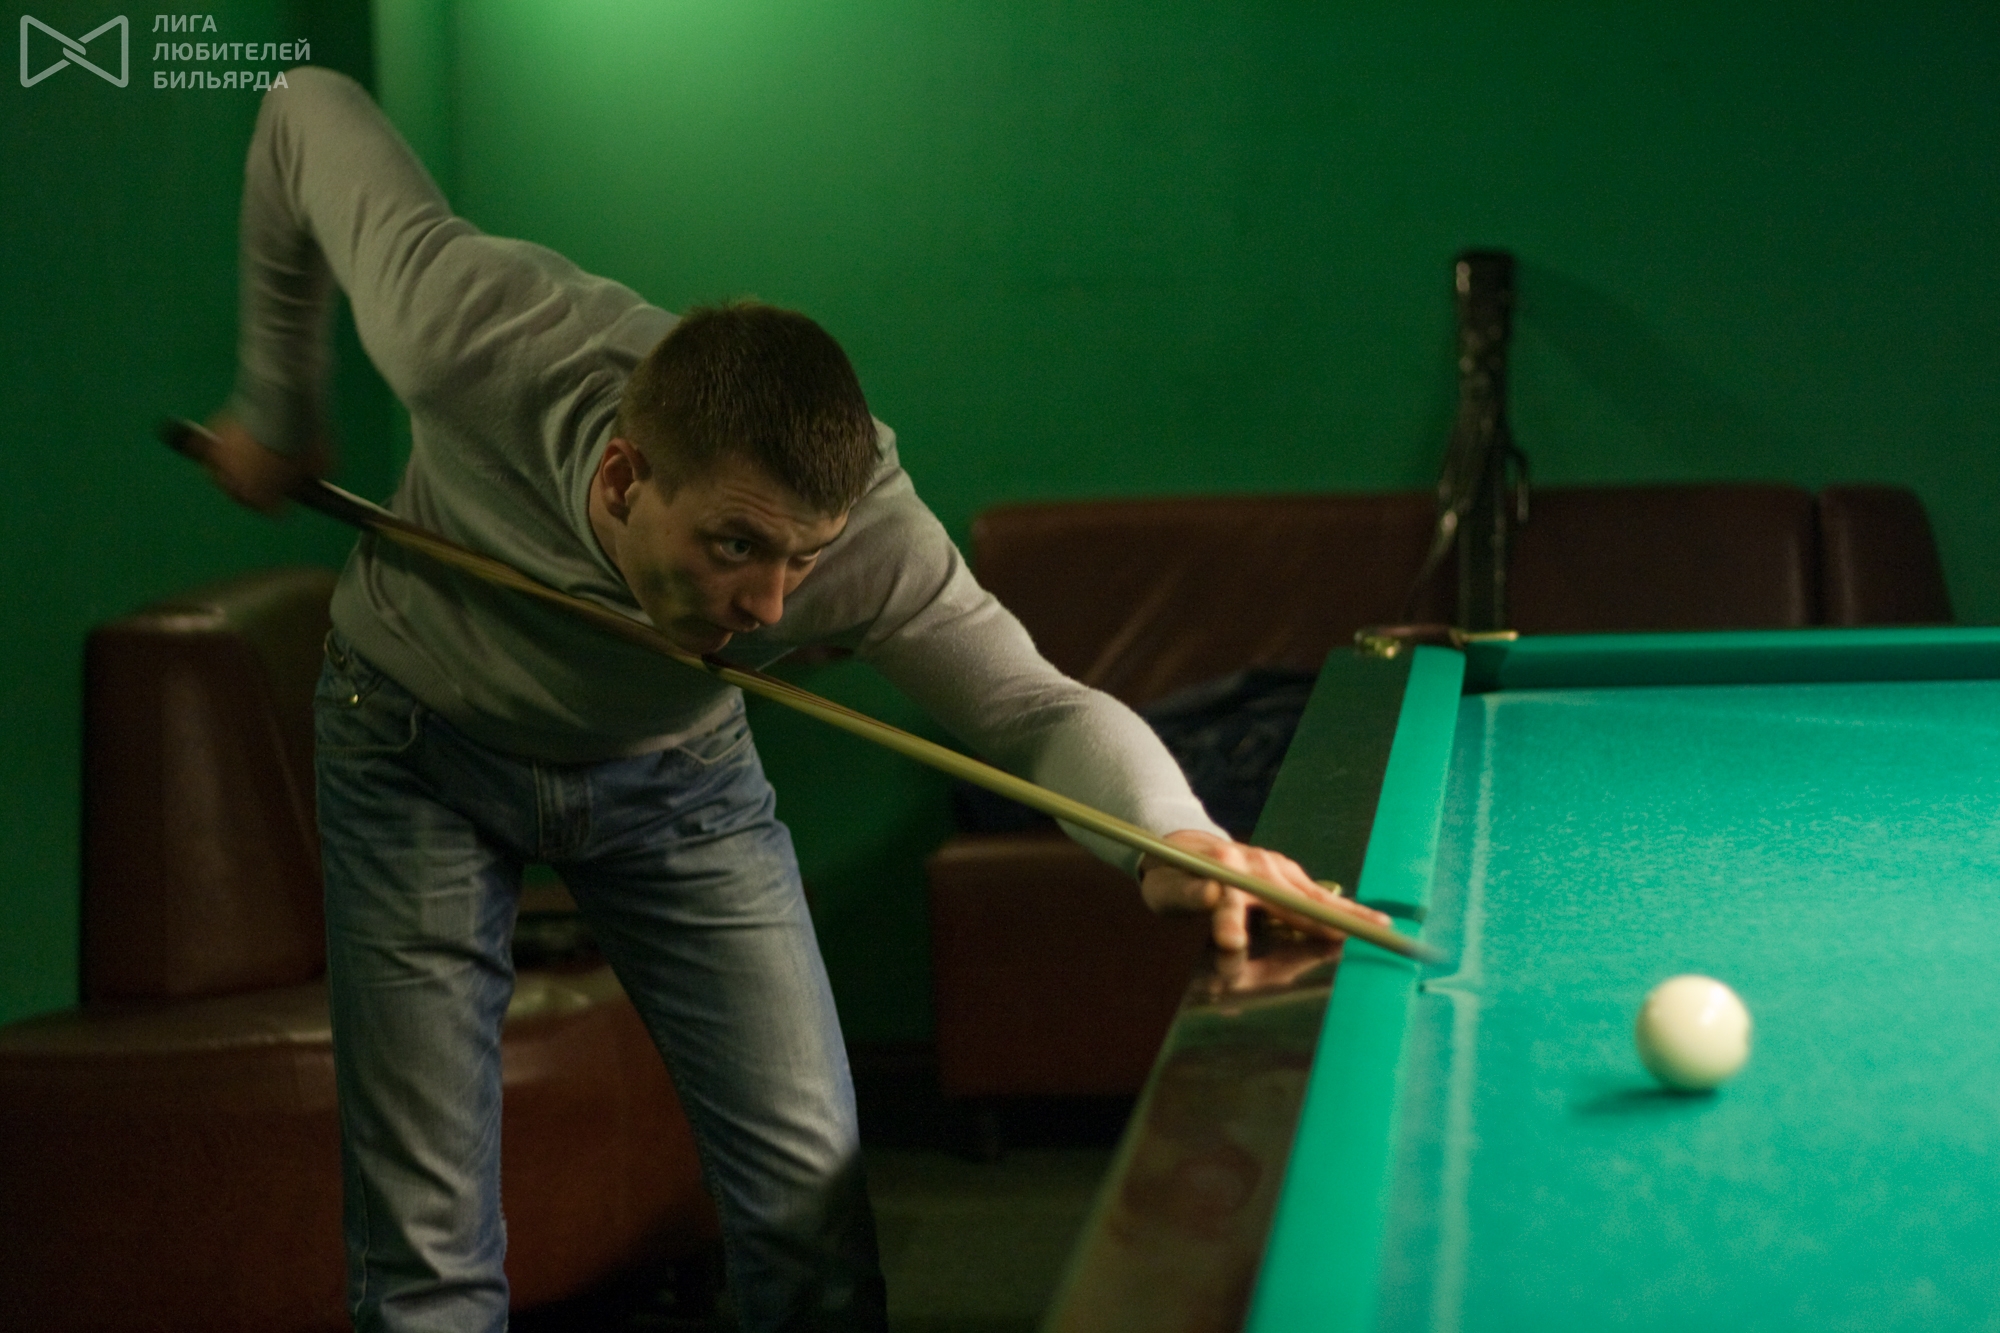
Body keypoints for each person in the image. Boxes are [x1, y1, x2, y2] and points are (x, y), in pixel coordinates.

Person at [192, 66, 1381, 1333]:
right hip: (415, 749)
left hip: (674, 779)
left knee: (810, 1218)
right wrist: (278, 403)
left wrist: (1173, 834)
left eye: (799, 562)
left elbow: (1033, 708)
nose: (767, 607)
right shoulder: (470, 330)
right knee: (425, 1258)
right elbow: (303, 104)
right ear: (623, 478)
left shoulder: (868, 536)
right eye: (733, 547)